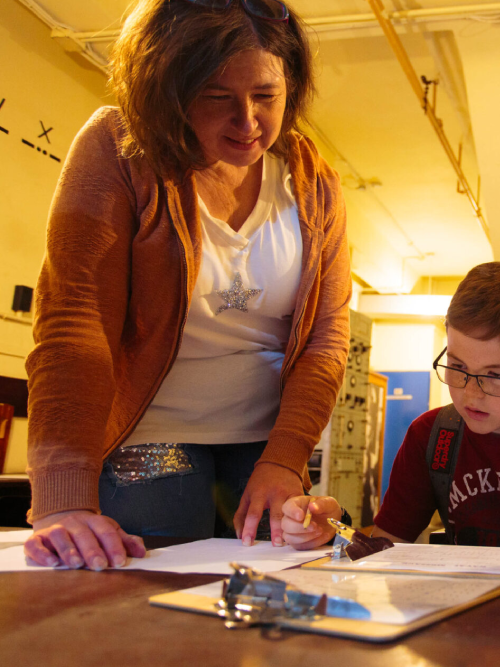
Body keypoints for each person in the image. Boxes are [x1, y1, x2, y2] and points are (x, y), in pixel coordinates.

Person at [23, 0, 351, 571]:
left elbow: (326, 336)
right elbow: (74, 322)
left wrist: (286, 459)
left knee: (284, 577)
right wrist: (63, 497)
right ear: (167, 89)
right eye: (217, 97)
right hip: (149, 433)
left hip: (267, 442)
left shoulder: (314, 180)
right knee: (154, 580)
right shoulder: (119, 147)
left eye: (266, 96)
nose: (247, 122)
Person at [283, 262, 500, 552]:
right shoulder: (431, 436)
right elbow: (386, 548)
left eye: (496, 375)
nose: (470, 393)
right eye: (458, 367)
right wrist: (333, 527)